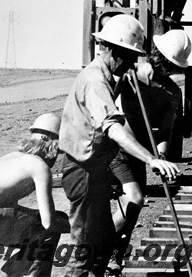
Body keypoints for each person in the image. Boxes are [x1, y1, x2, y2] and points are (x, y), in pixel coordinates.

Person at [59, 14, 180, 276]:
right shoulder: (95, 81)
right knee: (84, 250)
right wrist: (151, 159)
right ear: (111, 49)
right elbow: (112, 127)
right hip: (83, 171)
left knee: (101, 242)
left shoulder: (105, 77)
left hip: (96, 169)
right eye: (127, 56)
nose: (130, 63)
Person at [107, 29, 191, 274]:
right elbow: (105, 104)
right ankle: (96, 248)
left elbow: (165, 132)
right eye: (165, 62)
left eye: (172, 66)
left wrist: (161, 157)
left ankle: (114, 255)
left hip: (140, 154)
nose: (167, 69)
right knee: (134, 199)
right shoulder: (129, 74)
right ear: (156, 55)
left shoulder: (172, 93)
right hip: (115, 148)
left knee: (133, 210)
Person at [0, 113, 70, 277]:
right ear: (47, 140)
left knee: (35, 236)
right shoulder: (38, 167)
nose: (57, 156)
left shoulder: (15, 158)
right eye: (58, 148)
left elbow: (9, 205)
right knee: (50, 229)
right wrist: (78, 229)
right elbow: (49, 222)